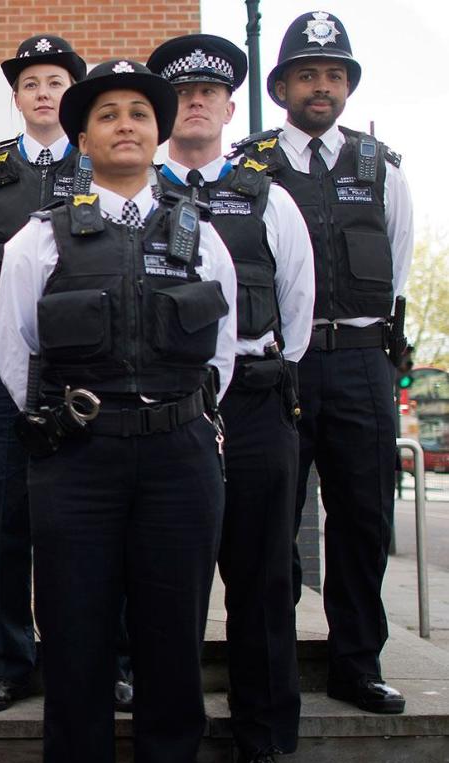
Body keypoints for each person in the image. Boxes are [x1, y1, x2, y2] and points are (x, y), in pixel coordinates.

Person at [0, 59, 237, 763]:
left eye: (139, 112)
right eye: (107, 114)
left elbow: (222, 356)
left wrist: (170, 417)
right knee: (75, 648)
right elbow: (14, 353)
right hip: (77, 462)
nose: (125, 124)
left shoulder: (205, 236)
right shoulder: (39, 240)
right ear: (83, 137)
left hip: (178, 461)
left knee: (172, 651)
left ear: (159, 132)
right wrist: (79, 423)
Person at [147, 33, 316, 763]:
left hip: (251, 404)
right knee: (165, 592)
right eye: (183, 93)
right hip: (163, 412)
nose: (197, 104)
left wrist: (248, 378)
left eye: (211, 93)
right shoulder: (129, 190)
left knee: (261, 583)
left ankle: (261, 746)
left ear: (230, 107)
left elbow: (301, 312)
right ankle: (165, 757)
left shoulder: (266, 196)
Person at [233, 9, 414, 716]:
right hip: (282, 369)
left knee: (364, 519)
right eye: (307, 74)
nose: (321, 87)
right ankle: (279, 666)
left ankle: (357, 661)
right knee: (274, 524)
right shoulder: (250, 167)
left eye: (333, 75)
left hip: (363, 362)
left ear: (348, 87)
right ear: (281, 87)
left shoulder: (379, 167)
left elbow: (395, 271)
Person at [0, 34, 86, 714]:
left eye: (56, 82)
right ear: (17, 96)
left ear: (72, 94)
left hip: (82, 368)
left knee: (87, 521)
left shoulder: (98, 165)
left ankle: (94, 657)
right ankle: (8, 659)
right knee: (6, 517)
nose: (43, 92)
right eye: (32, 82)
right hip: (2, 367)